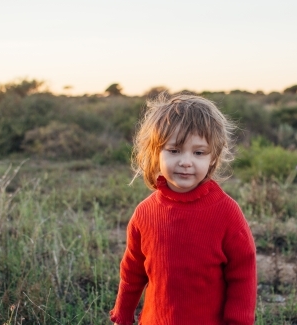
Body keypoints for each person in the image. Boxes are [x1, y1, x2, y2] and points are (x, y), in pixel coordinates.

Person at [110, 94, 257, 325]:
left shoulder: (226, 213)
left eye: (199, 153)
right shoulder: (145, 213)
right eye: (174, 150)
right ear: (156, 153)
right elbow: (132, 271)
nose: (186, 162)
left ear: (213, 157)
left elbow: (243, 274)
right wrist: (123, 314)